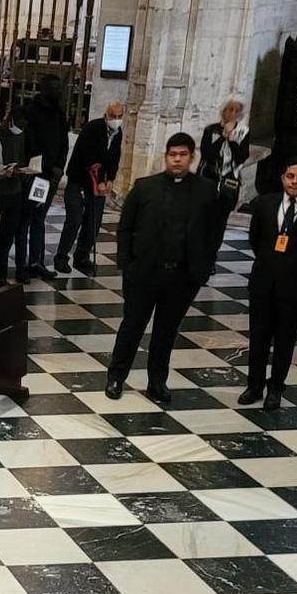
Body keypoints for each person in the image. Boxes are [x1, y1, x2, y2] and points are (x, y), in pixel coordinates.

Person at [106, 133, 216, 403]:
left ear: (192, 157)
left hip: (181, 275)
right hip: (145, 273)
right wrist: (126, 265)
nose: (177, 159)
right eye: (172, 154)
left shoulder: (205, 190)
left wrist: (203, 268)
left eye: (183, 155)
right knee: (132, 326)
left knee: (166, 332)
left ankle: (157, 381)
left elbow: (213, 231)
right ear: (166, 156)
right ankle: (116, 377)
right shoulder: (145, 187)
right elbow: (125, 227)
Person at [239, 162, 297, 411]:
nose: (294, 181)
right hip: (263, 282)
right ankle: (254, 384)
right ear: (282, 178)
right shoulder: (265, 204)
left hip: (294, 285)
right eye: (290, 176)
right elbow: (255, 239)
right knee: (259, 337)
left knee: (285, 340)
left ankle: (276, 387)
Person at [55, 100, 123, 275]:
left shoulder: (118, 133)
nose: (116, 120)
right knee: (75, 218)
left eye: (119, 117)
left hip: (98, 180)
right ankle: (61, 257)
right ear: (106, 115)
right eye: (113, 116)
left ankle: (82, 257)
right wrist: (98, 179)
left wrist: (110, 179)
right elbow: (88, 156)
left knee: (94, 220)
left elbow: (114, 157)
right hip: (79, 178)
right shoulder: (93, 128)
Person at [19, 78, 69, 279]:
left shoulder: (59, 113)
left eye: (60, 88)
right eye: (54, 88)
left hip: (51, 176)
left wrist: (60, 165)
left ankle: (37, 261)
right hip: (36, 175)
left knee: (40, 219)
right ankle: (23, 264)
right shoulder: (31, 112)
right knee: (25, 220)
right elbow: (31, 144)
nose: (58, 91)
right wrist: (45, 167)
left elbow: (63, 142)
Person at [199, 96, 251, 238]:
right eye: (229, 110)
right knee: (202, 220)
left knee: (219, 222)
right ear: (223, 111)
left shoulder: (243, 132)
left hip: (228, 182)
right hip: (209, 178)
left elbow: (241, 157)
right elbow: (207, 154)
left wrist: (232, 141)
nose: (232, 114)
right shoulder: (211, 130)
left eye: (236, 111)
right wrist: (223, 136)